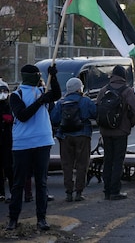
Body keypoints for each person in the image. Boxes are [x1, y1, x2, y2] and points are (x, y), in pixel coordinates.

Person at [6, 63, 60, 231]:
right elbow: (22, 116)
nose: (38, 77)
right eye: (36, 75)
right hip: (23, 143)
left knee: (42, 182)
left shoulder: (42, 91)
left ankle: (41, 219)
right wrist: (39, 102)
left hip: (42, 142)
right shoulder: (16, 95)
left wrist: (55, 77)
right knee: (18, 183)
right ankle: (13, 219)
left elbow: (57, 94)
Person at [49, 78, 96, 202]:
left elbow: (53, 119)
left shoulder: (61, 103)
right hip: (82, 135)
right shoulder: (85, 101)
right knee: (82, 164)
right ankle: (79, 192)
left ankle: (68, 192)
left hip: (65, 136)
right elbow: (95, 113)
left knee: (67, 165)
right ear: (79, 88)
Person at [98, 65, 135, 201]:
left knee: (107, 160)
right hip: (121, 132)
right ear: (124, 76)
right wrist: (129, 125)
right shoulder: (127, 91)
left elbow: (97, 108)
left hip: (105, 131)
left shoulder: (104, 90)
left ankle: (106, 190)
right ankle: (115, 191)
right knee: (118, 161)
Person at [0, 80, 13, 203]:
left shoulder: (9, 104)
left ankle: (12, 192)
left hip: (8, 140)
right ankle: (1, 193)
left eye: (4, 91)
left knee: (9, 167)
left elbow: (11, 118)